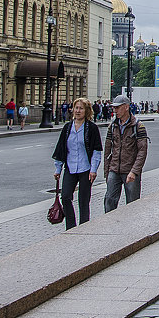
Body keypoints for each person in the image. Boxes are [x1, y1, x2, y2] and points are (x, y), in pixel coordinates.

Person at [52, 97, 103, 230]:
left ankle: (84, 226)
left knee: (83, 200)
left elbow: (97, 150)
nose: (78, 111)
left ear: (86, 111)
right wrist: (58, 169)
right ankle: (71, 226)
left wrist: (93, 169)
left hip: (86, 169)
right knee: (66, 196)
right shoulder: (67, 127)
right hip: (70, 167)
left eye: (81, 108)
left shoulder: (91, 128)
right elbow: (61, 149)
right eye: (76, 108)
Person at [103, 94, 148, 213]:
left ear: (126, 107)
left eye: (118, 107)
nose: (115, 110)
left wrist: (134, 171)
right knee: (109, 201)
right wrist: (107, 172)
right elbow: (107, 149)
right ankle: (108, 226)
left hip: (130, 170)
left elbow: (142, 151)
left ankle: (131, 228)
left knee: (132, 204)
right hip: (114, 169)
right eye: (114, 108)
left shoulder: (138, 126)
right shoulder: (112, 126)